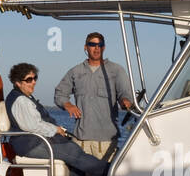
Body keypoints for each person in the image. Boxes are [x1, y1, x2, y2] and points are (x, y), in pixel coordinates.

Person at [7, 62, 109, 176]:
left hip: (35, 142)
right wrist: (55, 129)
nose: (33, 82)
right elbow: (33, 126)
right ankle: (112, 172)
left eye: (34, 78)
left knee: (73, 151)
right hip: (32, 145)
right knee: (74, 153)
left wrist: (56, 130)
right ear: (17, 82)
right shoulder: (21, 101)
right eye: (29, 80)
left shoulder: (25, 97)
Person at [53, 31, 134, 163]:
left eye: (100, 45)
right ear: (86, 47)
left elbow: (125, 94)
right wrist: (67, 104)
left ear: (104, 48)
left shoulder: (116, 70)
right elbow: (59, 93)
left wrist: (125, 102)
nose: (96, 48)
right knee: (77, 175)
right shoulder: (75, 71)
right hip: (80, 140)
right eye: (92, 45)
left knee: (104, 175)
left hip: (106, 142)